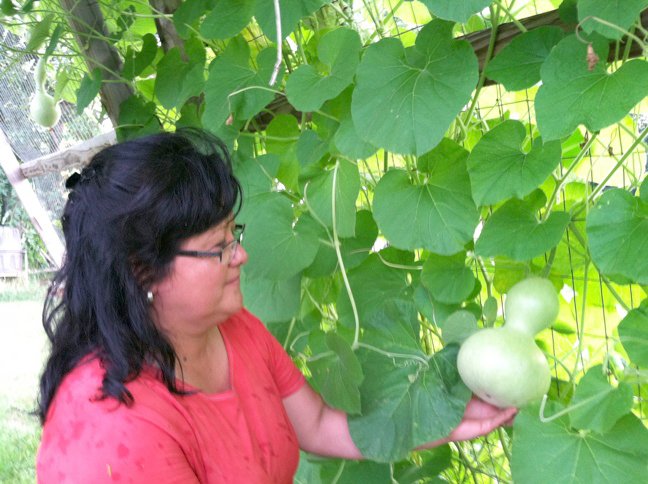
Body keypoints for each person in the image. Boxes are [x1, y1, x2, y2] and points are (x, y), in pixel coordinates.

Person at [36, 128, 516, 483]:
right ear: (141, 268)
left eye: (234, 234)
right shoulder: (112, 424)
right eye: (217, 245)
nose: (240, 255)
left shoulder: (234, 329)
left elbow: (319, 425)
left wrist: (433, 418)